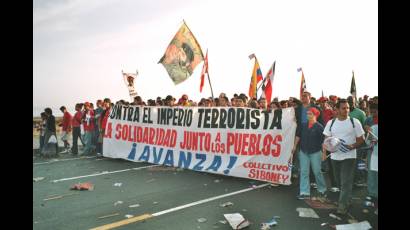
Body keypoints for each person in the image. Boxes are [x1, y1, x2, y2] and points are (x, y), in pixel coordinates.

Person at [323, 99, 365, 215]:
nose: (346, 110)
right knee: (339, 181)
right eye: (343, 108)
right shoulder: (330, 123)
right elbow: (326, 140)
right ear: (336, 109)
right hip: (335, 157)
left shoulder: (354, 122)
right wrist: (328, 149)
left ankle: (342, 206)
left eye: (347, 108)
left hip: (349, 157)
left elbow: (361, 139)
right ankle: (347, 199)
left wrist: (352, 146)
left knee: (346, 181)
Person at [291, 107, 327, 201]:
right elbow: (298, 136)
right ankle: (304, 192)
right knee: (304, 172)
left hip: (315, 152)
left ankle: (322, 189)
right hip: (303, 151)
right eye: (307, 114)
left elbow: (324, 141)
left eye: (310, 114)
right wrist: (294, 146)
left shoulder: (319, 127)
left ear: (315, 115)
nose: (308, 115)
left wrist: (324, 153)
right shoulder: (303, 125)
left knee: (317, 171)